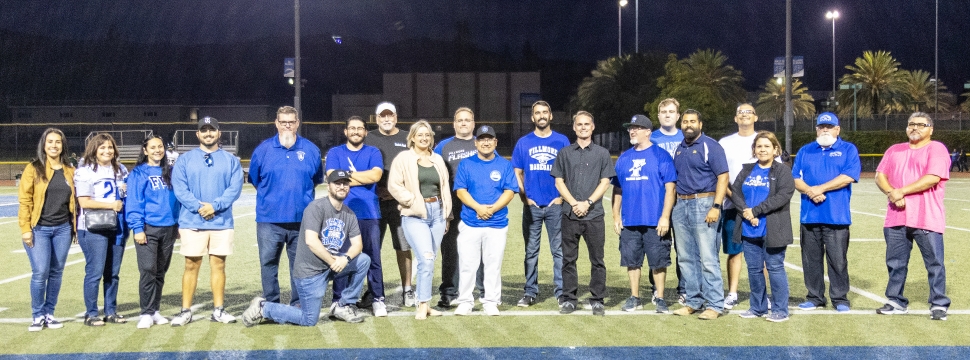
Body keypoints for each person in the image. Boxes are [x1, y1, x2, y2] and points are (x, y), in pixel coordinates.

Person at [242, 170, 371, 326]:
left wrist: (345, 259)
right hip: (310, 273)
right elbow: (311, 241)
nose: (342, 187)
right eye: (337, 183)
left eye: (345, 183)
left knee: (363, 260)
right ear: (328, 186)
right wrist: (333, 262)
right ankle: (263, 307)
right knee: (308, 319)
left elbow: (358, 244)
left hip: (331, 266)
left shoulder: (349, 214)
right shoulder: (316, 207)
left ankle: (343, 305)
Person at [875, 112, 951, 321]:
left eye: (921, 124)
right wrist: (892, 192)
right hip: (896, 217)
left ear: (931, 129)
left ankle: (939, 303)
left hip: (926, 217)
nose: (915, 128)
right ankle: (895, 300)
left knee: (934, 263)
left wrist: (901, 192)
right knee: (895, 262)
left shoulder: (937, 148)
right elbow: (880, 176)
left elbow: (932, 178)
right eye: (911, 124)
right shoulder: (894, 150)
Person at [170, 116, 243, 326]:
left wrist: (215, 206)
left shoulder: (231, 160)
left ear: (219, 133)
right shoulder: (185, 160)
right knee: (191, 265)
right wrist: (199, 207)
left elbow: (234, 189)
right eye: (204, 130)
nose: (208, 134)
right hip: (192, 220)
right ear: (198, 134)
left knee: (218, 265)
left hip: (221, 221)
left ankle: (218, 310)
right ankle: (185, 311)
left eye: (212, 130)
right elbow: (180, 188)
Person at [249, 106, 324, 307]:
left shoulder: (310, 149)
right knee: (268, 264)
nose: (287, 126)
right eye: (283, 122)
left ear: (298, 123)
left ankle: (298, 304)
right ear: (276, 123)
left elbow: (316, 179)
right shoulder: (263, 150)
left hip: (302, 220)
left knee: (299, 265)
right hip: (269, 220)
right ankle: (271, 303)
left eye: (291, 122)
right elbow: (255, 179)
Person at [791, 112, 861, 312]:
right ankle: (814, 297)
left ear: (837, 129)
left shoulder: (848, 149)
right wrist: (810, 191)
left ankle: (840, 299)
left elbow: (848, 176)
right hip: (809, 216)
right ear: (816, 129)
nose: (825, 130)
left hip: (836, 217)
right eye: (821, 126)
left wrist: (819, 189)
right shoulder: (805, 151)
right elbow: (795, 178)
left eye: (829, 127)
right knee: (811, 261)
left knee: (838, 261)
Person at [551, 111, 615, 316]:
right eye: (579, 124)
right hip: (569, 215)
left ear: (593, 126)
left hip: (594, 215)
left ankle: (597, 298)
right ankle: (569, 299)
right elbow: (558, 181)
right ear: (574, 127)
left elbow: (605, 182)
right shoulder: (565, 153)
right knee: (568, 259)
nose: (583, 127)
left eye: (587, 124)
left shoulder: (602, 153)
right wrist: (573, 203)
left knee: (597, 260)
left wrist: (587, 203)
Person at [611, 115, 676, 313]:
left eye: (637, 128)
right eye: (631, 128)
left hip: (654, 219)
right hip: (630, 220)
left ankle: (660, 297)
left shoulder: (661, 155)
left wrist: (665, 216)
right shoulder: (624, 158)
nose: (633, 131)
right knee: (632, 261)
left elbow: (670, 188)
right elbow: (617, 190)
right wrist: (616, 216)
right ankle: (635, 297)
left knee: (658, 261)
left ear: (648, 132)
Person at [729, 131, 795, 322]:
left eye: (767, 146)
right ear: (754, 150)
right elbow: (736, 193)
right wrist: (746, 212)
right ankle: (757, 307)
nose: (763, 150)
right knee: (754, 270)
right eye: (759, 146)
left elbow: (783, 196)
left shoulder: (782, 171)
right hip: (749, 228)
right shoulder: (747, 169)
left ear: (775, 149)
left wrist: (755, 211)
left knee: (775, 267)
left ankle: (780, 310)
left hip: (772, 228)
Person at [452, 125, 518, 316]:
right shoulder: (466, 164)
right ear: (476, 143)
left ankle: (491, 301)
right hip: (471, 222)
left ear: (495, 142)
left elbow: (509, 191)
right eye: (482, 139)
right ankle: (465, 301)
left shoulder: (504, 165)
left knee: (493, 264)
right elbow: (461, 191)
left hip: (496, 223)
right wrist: (479, 208)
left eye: (490, 139)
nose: (486, 142)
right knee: (467, 265)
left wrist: (493, 209)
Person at [390, 120, 452, 319]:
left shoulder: (438, 159)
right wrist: (412, 200)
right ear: (413, 137)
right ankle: (422, 305)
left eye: (427, 135)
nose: (424, 138)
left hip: (438, 214)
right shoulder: (404, 158)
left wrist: (447, 215)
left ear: (431, 138)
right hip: (415, 215)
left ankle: (425, 304)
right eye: (420, 135)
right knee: (425, 258)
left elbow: (444, 188)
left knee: (430, 260)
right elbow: (394, 185)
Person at [670, 109, 729, 320]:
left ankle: (714, 304)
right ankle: (693, 301)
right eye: (685, 121)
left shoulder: (710, 146)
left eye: (692, 121)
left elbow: (723, 177)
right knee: (685, 258)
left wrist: (716, 206)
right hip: (681, 205)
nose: (688, 125)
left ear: (700, 124)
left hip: (704, 203)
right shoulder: (679, 148)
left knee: (708, 258)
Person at [325, 116, 386, 316]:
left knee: (373, 256)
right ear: (346, 131)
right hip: (341, 213)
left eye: (360, 128)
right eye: (352, 128)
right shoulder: (335, 152)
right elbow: (333, 177)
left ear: (366, 132)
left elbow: (376, 176)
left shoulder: (373, 152)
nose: (356, 131)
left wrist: (347, 177)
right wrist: (362, 176)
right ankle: (339, 300)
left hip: (369, 213)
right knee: (341, 257)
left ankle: (377, 298)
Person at [511, 100, 569, 308]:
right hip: (532, 206)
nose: (542, 116)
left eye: (545, 112)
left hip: (555, 205)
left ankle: (562, 292)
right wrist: (524, 197)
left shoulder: (562, 141)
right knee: (531, 251)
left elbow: (568, 171)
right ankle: (530, 292)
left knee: (559, 251)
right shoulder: (523, 143)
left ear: (551, 116)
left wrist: (561, 197)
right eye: (537, 113)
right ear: (532, 117)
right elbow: (516, 172)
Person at [19, 128, 76, 332]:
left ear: (63, 145)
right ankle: (37, 315)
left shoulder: (70, 170)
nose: (54, 145)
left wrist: (74, 228)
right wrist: (26, 229)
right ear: (44, 144)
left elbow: (75, 202)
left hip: (63, 229)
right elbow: (25, 200)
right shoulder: (33, 168)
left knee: (56, 272)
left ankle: (49, 313)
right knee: (40, 272)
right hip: (39, 229)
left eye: (58, 142)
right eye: (50, 141)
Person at [74, 132, 130, 326]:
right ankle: (91, 313)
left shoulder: (121, 169)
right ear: (94, 150)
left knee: (112, 273)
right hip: (93, 227)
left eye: (110, 147)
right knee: (95, 272)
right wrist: (111, 206)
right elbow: (84, 201)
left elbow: (124, 195)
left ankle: (111, 311)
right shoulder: (85, 170)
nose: (107, 151)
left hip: (117, 226)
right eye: (102, 147)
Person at [126, 135, 181, 329]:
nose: (158, 150)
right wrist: (137, 228)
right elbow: (133, 201)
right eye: (153, 147)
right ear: (145, 150)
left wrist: (179, 224)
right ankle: (146, 313)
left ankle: (155, 309)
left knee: (160, 271)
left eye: (160, 147)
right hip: (148, 228)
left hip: (169, 227)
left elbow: (178, 200)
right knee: (148, 269)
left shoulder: (171, 172)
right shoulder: (138, 173)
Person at [365, 102, 414, 307]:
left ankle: (408, 289)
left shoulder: (407, 137)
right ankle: (373, 292)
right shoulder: (369, 138)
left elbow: (414, 169)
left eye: (390, 115)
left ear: (396, 117)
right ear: (376, 119)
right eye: (382, 116)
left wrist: (399, 193)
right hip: (373, 202)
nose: (386, 119)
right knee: (370, 249)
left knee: (403, 246)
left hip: (399, 204)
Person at [433, 107, 483, 307]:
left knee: (480, 247)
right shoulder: (443, 146)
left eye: (467, 120)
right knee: (450, 248)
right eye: (460, 120)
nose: (463, 123)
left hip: (478, 203)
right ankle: (449, 291)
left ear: (473, 123)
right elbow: (433, 171)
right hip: (451, 202)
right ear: (454, 124)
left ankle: (484, 290)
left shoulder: (483, 143)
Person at [717, 103, 759, 310]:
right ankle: (732, 293)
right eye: (740, 112)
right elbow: (721, 175)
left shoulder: (764, 140)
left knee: (763, 251)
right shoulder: (725, 143)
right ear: (735, 118)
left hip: (760, 206)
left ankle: (762, 294)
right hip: (732, 203)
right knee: (734, 251)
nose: (744, 115)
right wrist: (737, 200)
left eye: (748, 112)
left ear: (755, 117)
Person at [650, 98, 687, 305]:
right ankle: (656, 288)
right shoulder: (651, 137)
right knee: (657, 245)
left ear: (678, 115)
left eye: (671, 111)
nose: (667, 114)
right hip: (658, 199)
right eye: (663, 111)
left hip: (683, 199)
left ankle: (684, 288)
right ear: (658, 115)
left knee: (683, 247)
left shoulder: (686, 136)